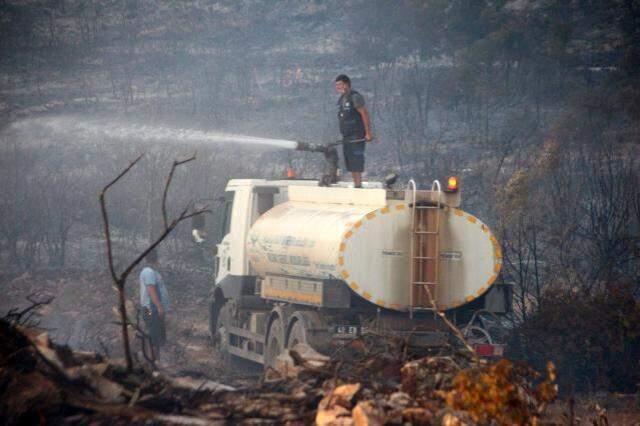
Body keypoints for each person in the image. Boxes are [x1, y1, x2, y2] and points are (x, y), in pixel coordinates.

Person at [335, 74, 373, 188]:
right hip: (346, 136)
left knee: (356, 161)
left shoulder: (355, 97)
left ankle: (358, 185)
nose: (338, 87)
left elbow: (364, 114)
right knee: (350, 161)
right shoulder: (342, 99)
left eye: (340, 84)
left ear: (347, 84)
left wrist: (368, 133)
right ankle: (356, 183)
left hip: (356, 135)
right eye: (336, 85)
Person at [139, 249, 170, 360]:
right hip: (150, 309)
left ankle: (156, 362)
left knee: (156, 336)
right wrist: (159, 306)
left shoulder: (153, 272)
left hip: (154, 308)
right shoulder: (149, 272)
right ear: (155, 258)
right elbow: (151, 290)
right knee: (153, 336)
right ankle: (153, 362)